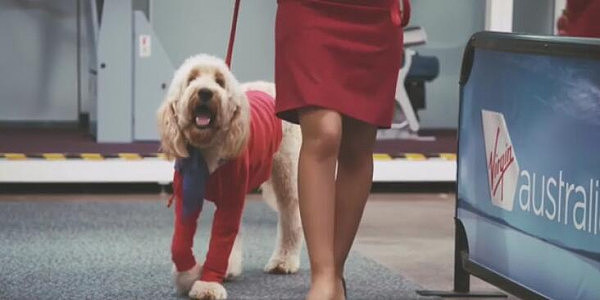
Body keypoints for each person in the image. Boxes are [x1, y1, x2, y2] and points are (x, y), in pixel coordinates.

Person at [274, 0, 410, 299]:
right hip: (309, 9)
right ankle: (322, 279)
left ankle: (335, 275)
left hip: (374, 13)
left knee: (358, 145)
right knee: (324, 132)